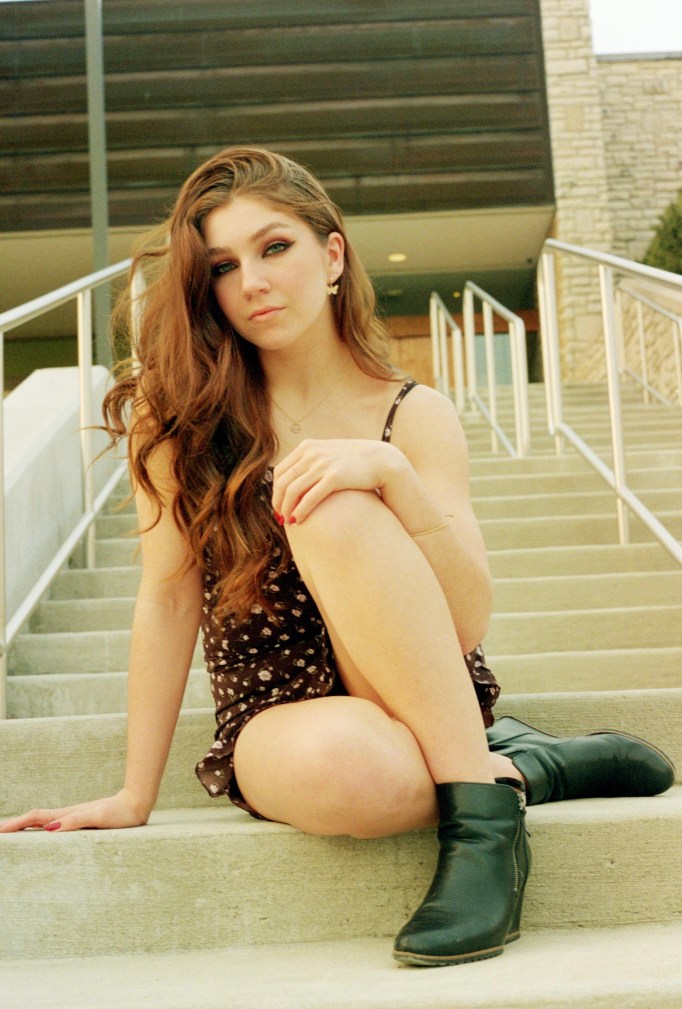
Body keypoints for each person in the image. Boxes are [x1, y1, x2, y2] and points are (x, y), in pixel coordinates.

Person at [0, 147, 674, 967]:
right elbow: (167, 598)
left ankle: (485, 837)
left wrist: (391, 477)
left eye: (275, 247)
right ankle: (519, 767)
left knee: (330, 498)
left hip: (421, 685)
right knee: (358, 774)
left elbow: (465, 620)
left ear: (332, 255)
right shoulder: (179, 419)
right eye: (223, 266)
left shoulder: (414, 415)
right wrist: (134, 793)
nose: (252, 281)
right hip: (275, 707)